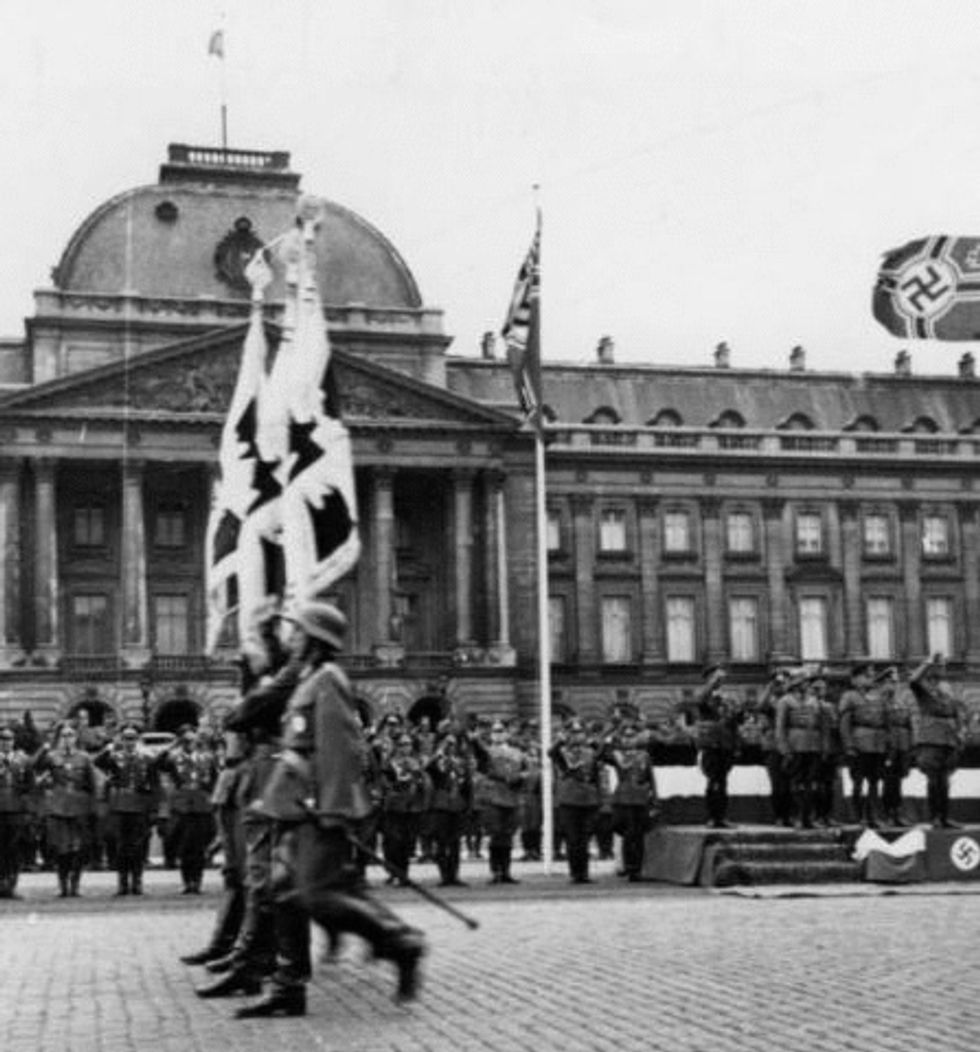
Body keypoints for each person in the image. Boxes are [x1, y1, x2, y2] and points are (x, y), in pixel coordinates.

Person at [235, 601, 426, 1019]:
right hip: (293, 806)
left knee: (318, 896)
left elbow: (341, 750)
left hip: (318, 807)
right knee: (281, 892)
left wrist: (336, 810)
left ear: (317, 640)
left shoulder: (329, 679)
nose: (294, 638)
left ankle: (402, 943)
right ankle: (289, 987)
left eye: (299, 632)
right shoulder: (307, 677)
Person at [32, 722, 97, 896]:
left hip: (78, 807)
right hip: (58, 807)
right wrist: (43, 748)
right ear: (59, 738)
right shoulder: (52, 756)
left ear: (75, 738)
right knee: (61, 849)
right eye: (64, 736)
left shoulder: (84, 757)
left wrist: (92, 807)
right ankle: (63, 886)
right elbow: (35, 766)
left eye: (70, 735)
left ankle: (75, 885)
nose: (67, 739)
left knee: (79, 848)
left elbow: (92, 784)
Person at [94, 723, 158, 895]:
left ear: (137, 740)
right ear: (121, 739)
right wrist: (110, 745)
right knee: (121, 846)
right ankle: (123, 883)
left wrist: (154, 808)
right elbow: (97, 762)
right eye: (126, 738)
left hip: (139, 803)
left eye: (132, 738)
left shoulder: (147, 758)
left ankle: (137, 882)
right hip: (120, 804)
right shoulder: (114, 756)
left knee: (138, 846)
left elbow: (154, 783)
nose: (129, 742)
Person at [156, 725, 219, 894]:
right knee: (184, 847)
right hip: (182, 805)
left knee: (199, 848)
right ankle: (186, 882)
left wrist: (213, 799)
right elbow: (158, 763)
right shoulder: (174, 758)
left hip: (201, 805)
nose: (190, 744)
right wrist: (172, 745)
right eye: (186, 741)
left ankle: (197, 882)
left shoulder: (207, 758)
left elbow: (214, 779)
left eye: (192, 740)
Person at [679, 665, 743, 829]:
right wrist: (713, 683)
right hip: (711, 744)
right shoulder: (704, 696)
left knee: (723, 782)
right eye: (715, 676)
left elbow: (734, 723)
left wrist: (736, 745)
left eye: (720, 677)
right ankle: (713, 817)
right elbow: (700, 701)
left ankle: (721, 817)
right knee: (713, 780)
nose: (720, 679)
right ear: (709, 678)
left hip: (726, 744)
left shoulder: (727, 698)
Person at [909, 655, 967, 829]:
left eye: (939, 680)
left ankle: (944, 817)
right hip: (930, 742)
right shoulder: (924, 696)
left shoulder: (950, 699)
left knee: (945, 782)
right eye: (932, 679)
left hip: (949, 743)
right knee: (933, 781)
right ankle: (934, 817)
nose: (937, 683)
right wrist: (927, 663)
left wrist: (961, 732)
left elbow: (959, 717)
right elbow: (913, 680)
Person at [470, 719, 526, 885]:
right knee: (495, 835)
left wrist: (520, 778)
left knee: (507, 835)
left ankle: (506, 871)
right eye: (495, 731)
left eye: (501, 730)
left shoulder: (517, 753)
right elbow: (479, 754)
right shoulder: (487, 751)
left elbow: (527, 770)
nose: (498, 734)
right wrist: (474, 739)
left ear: (507, 733)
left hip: (511, 796)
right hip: (494, 797)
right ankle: (496, 871)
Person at [549, 719, 601, 884]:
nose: (577, 736)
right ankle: (575, 873)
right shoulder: (562, 752)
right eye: (573, 733)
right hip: (569, 799)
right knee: (573, 838)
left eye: (579, 733)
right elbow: (551, 752)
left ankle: (584, 872)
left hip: (588, 799)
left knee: (585, 839)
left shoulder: (590, 752)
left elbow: (595, 774)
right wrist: (560, 739)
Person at [775, 671, 828, 829]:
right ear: (797, 684)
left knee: (811, 783)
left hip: (813, 746)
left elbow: (823, 726)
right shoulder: (785, 701)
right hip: (795, 745)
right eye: (805, 682)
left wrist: (824, 746)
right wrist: (784, 749)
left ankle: (808, 817)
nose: (807, 684)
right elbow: (780, 727)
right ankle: (797, 816)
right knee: (796, 783)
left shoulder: (814, 701)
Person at [839, 661, 889, 827]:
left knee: (875, 782)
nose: (870, 678)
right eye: (866, 675)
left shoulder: (878, 696)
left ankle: (872, 816)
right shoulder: (849, 696)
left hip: (878, 745)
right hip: (859, 744)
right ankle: (859, 816)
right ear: (855, 679)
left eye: (871, 675)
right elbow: (845, 723)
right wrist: (849, 745)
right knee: (858, 783)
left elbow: (885, 720)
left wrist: (886, 743)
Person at [426, 729, 472, 887]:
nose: (451, 746)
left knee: (455, 843)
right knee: (441, 842)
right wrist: (440, 751)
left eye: (453, 743)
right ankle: (444, 875)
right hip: (441, 804)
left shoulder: (461, 761)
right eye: (448, 743)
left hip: (457, 804)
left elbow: (467, 784)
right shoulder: (437, 760)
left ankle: (454, 875)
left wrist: (467, 804)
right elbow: (427, 768)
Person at [881, 666, 915, 827]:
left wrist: (910, 746)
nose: (893, 686)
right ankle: (887, 813)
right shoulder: (878, 702)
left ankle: (897, 812)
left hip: (902, 746)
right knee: (888, 782)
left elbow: (908, 725)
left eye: (895, 682)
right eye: (889, 682)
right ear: (882, 684)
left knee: (898, 780)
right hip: (887, 747)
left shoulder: (901, 702)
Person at [0, 726, 32, 897]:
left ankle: (11, 885)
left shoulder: (23, 760)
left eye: (9, 739)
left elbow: (30, 785)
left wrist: (27, 809)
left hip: (16, 810)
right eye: (3, 739)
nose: (6, 743)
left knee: (13, 849)